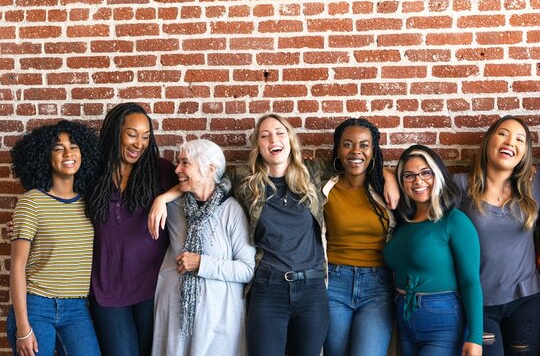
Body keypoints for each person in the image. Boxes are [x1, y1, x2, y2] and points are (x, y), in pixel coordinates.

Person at [148, 114, 399, 356]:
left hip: (312, 287)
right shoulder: (245, 179)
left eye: (279, 133)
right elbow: (206, 182)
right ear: (258, 145)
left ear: (290, 139)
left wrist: (386, 174)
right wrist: (165, 197)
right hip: (268, 288)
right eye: (265, 136)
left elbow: (355, 163)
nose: (273, 140)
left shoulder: (313, 173)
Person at [85, 102, 177, 356]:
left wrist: (163, 198)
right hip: (106, 289)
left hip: (151, 286)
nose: (139, 144)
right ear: (116, 132)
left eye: (146, 137)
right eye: (132, 134)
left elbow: (202, 182)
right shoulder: (93, 172)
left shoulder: (160, 171)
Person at [151, 139, 255, 356]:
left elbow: (248, 269)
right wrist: (161, 198)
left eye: (185, 163)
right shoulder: (173, 208)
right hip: (176, 319)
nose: (177, 169)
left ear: (209, 168)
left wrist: (201, 263)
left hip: (218, 320)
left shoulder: (231, 211)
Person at [7, 120, 100, 356]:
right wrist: (23, 327)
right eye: (58, 148)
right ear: (44, 157)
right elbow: (17, 266)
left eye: (74, 146)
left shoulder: (91, 204)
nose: (68, 153)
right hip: (36, 306)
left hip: (77, 308)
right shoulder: (32, 202)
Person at [383, 144, 483, 356]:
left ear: (437, 175)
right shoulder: (402, 223)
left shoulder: (454, 221)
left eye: (425, 173)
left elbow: (470, 281)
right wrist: (385, 173)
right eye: (408, 176)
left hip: (443, 318)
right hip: (404, 316)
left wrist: (475, 337)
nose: (418, 181)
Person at [454, 116, 540, 356]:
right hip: (479, 304)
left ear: (525, 152)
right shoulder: (460, 186)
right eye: (503, 134)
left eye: (520, 139)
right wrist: (388, 176)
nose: (510, 142)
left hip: (527, 299)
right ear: (488, 141)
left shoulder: (534, 184)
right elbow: (418, 187)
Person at [322, 118, 396, 356]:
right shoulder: (324, 188)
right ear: (338, 150)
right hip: (334, 282)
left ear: (374, 151)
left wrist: (389, 174)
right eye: (347, 144)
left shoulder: (385, 188)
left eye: (364, 145)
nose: (356, 151)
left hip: (378, 285)